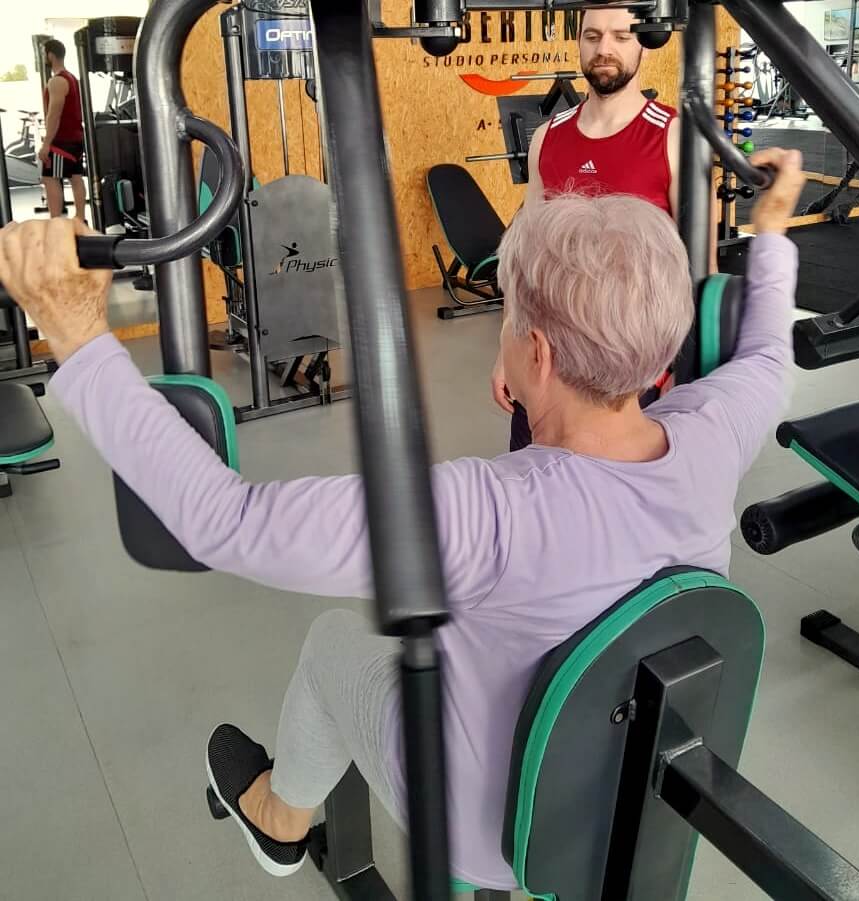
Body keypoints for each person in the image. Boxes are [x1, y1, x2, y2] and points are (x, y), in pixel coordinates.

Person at [0, 149, 805, 891]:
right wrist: (769, 229)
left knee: (332, 643)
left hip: (488, 834)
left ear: (539, 353)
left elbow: (224, 522)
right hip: (630, 793)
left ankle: (281, 819)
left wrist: (76, 333)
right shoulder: (712, 433)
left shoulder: (483, 514)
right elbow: (768, 352)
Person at [492, 6, 711, 451]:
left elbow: (698, 267)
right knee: (535, 487)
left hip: (632, 367)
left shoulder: (673, 136)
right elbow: (525, 265)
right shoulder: (547, 137)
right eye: (592, 37)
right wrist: (506, 351)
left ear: (643, 44)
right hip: (548, 367)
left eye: (619, 36)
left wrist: (683, 369)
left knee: (620, 504)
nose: (604, 49)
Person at [38, 39, 87, 222]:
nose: (44, 57)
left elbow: (54, 115)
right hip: (75, 137)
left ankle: (56, 220)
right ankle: (80, 218)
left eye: (44, 53)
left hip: (61, 140)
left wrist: (46, 144)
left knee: (50, 178)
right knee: (75, 177)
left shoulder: (57, 81)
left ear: (50, 55)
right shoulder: (72, 78)